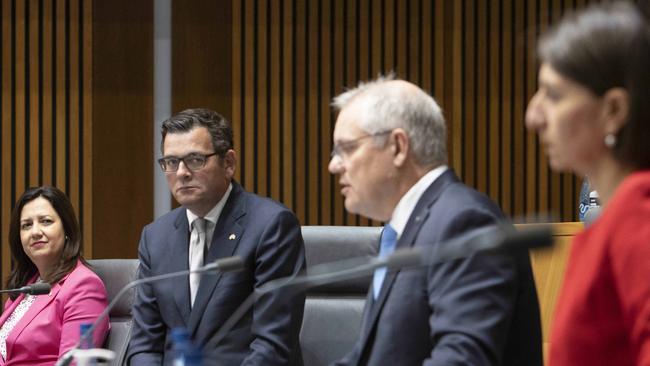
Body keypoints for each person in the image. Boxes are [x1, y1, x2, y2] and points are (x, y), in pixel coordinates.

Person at [328, 76, 542, 365]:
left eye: (348, 148)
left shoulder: (464, 222)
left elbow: (461, 359)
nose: (334, 165)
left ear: (398, 147)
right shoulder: (409, 227)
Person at [127, 108, 306, 365]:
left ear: (229, 163)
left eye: (195, 160)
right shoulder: (155, 236)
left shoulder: (271, 225)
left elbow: (272, 344)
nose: (181, 173)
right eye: (171, 162)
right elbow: (145, 345)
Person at [525, 2, 650, 365]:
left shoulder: (638, 212)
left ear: (614, 110)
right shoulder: (617, 217)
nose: (532, 116)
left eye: (553, 95)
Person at [0, 186, 109, 365]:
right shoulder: (25, 286)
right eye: (26, 225)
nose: (35, 232)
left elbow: (75, 363)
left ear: (67, 230)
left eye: (46, 221)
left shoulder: (84, 286)